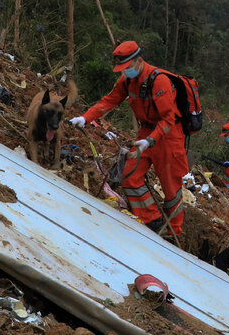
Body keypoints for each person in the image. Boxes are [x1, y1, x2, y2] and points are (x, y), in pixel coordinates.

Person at [69, 41, 189, 236]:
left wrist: (151, 140)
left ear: (139, 61)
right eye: (122, 69)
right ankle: (153, 222)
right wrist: (85, 117)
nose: (125, 71)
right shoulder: (127, 80)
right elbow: (110, 100)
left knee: (170, 187)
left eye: (128, 67)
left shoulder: (159, 81)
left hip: (167, 135)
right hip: (145, 133)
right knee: (130, 176)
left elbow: (169, 118)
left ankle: (174, 232)